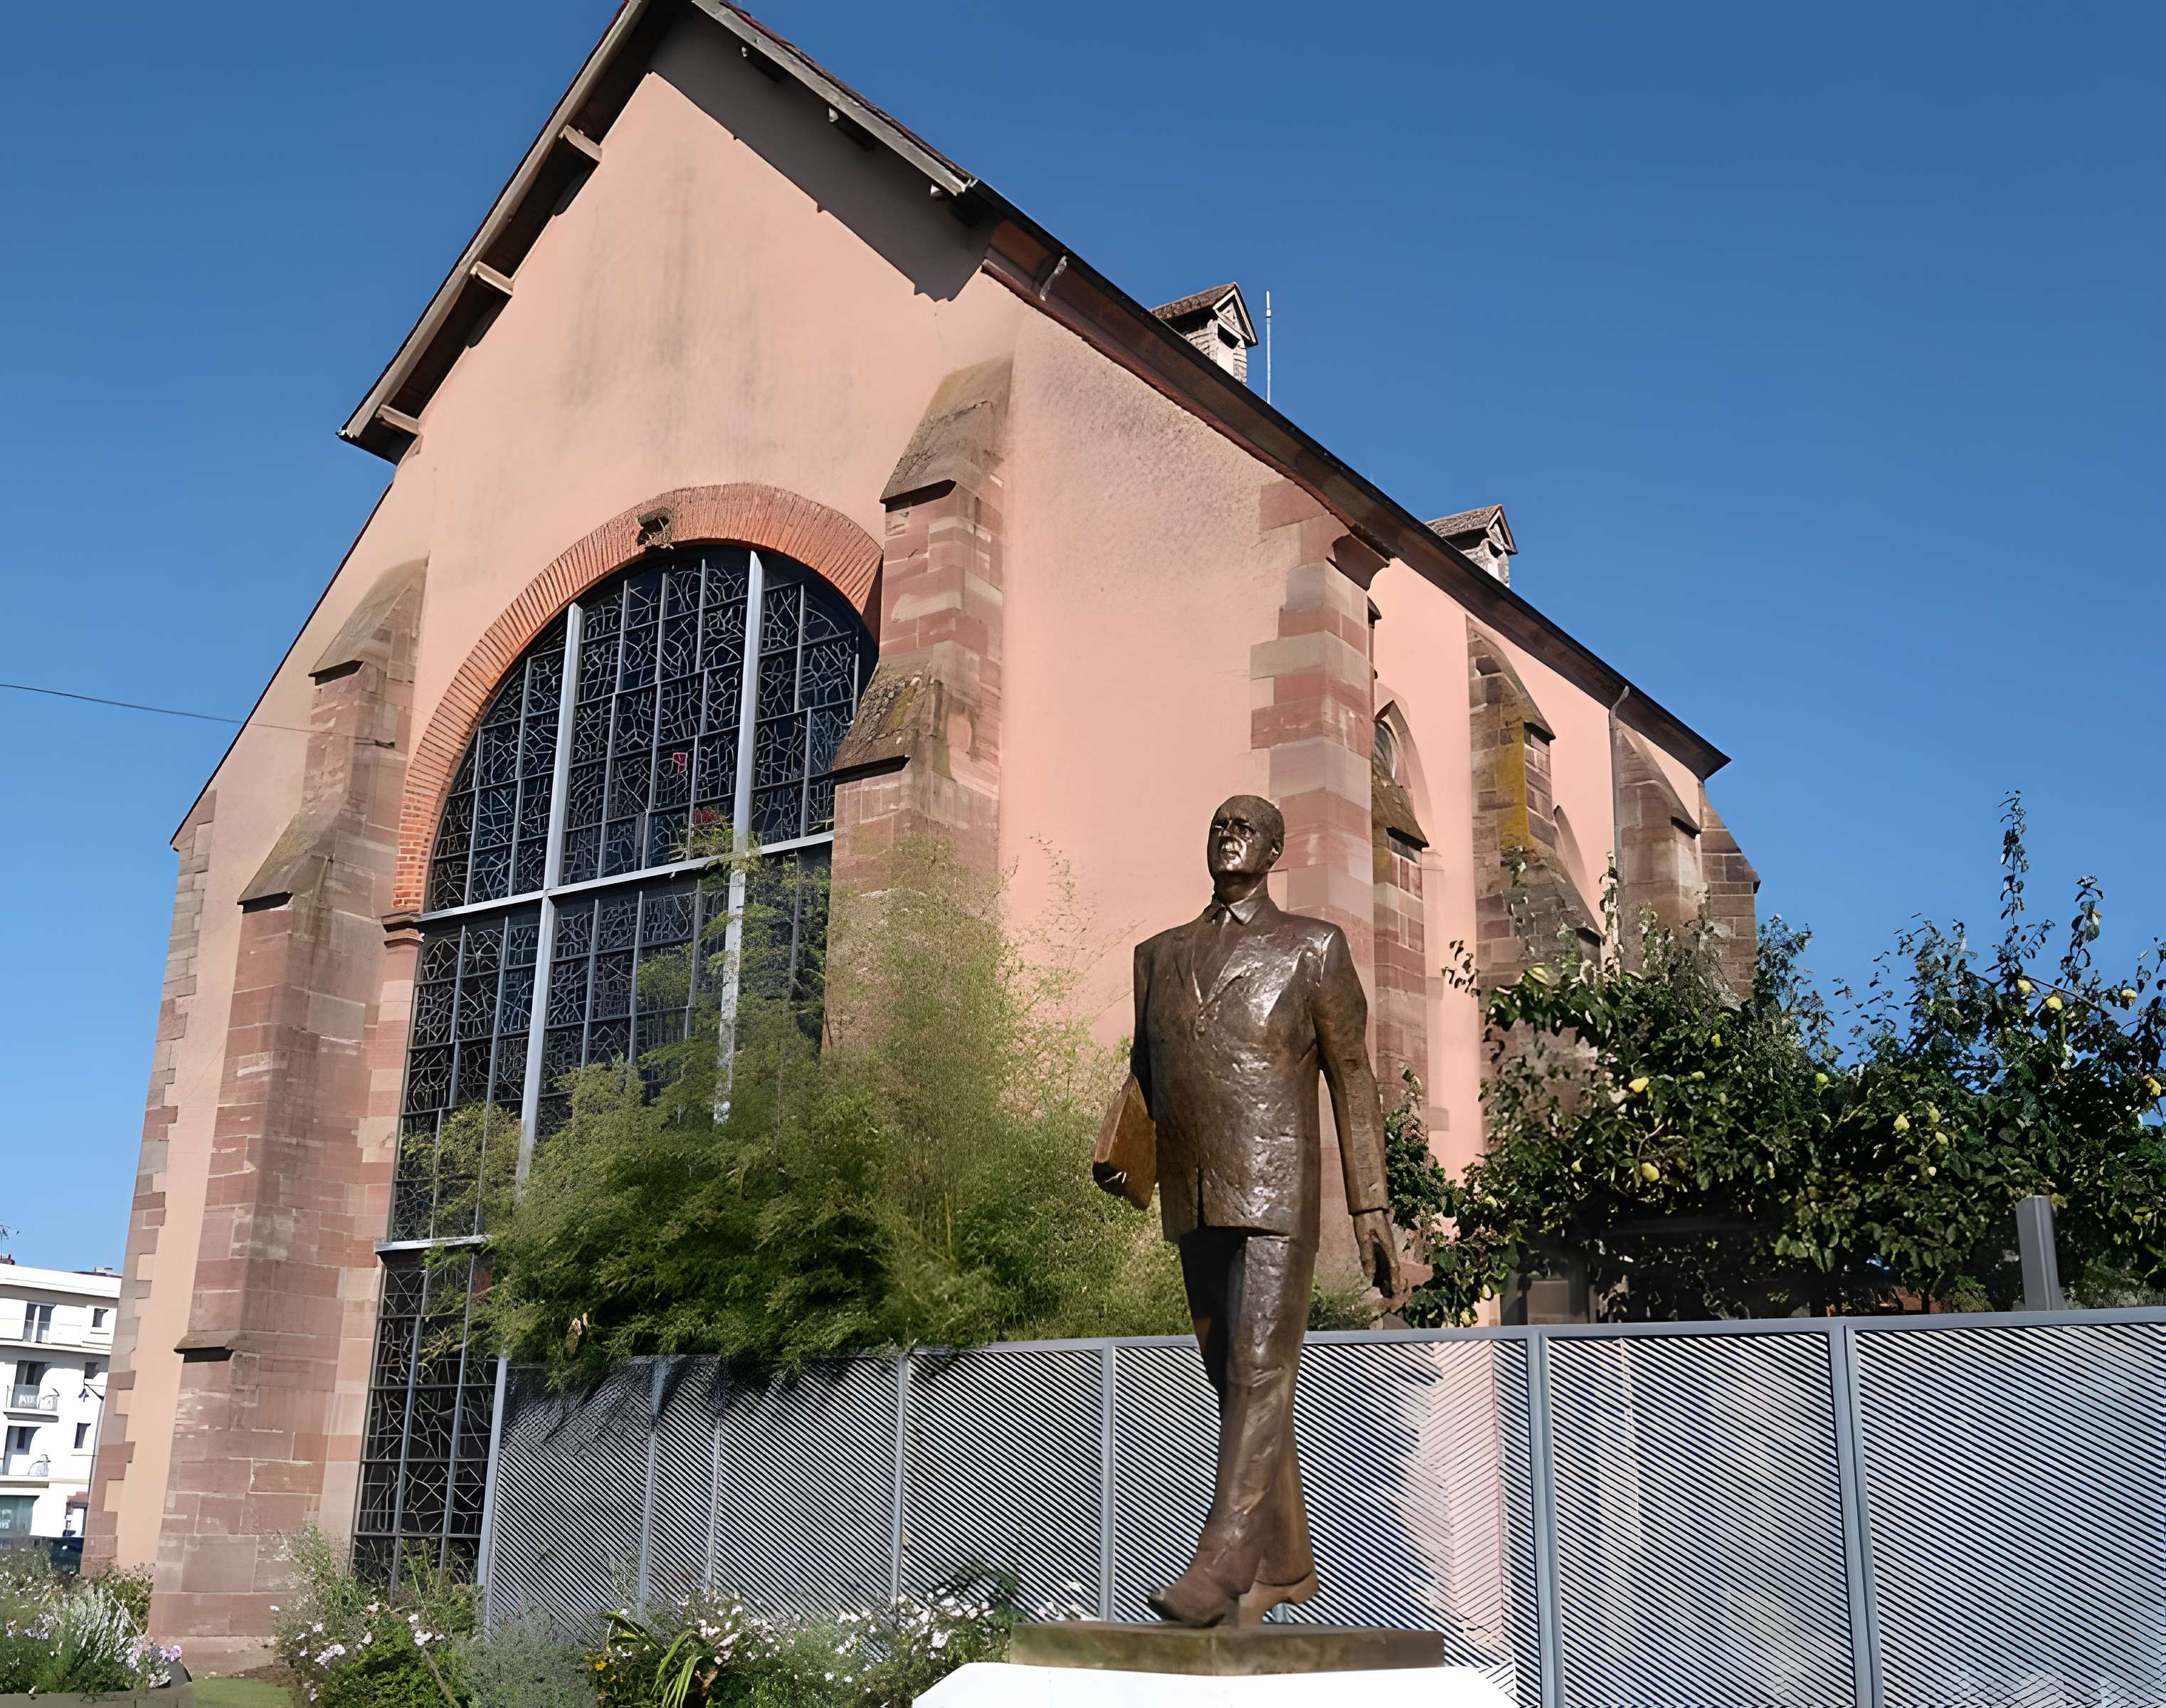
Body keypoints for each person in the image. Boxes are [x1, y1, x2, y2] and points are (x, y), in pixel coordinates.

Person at [1101, 793, 1402, 1627]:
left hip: (1276, 1189)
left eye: (1245, 827)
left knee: (1259, 1372)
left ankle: (1221, 1565)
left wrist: (1370, 1206)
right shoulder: (1156, 956)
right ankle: (1289, 1565)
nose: (1228, 835)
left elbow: (1353, 1078)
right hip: (1192, 1186)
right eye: (1217, 825)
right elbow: (1145, 1072)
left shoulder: (1312, 947)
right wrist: (1118, 1150)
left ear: (1274, 851)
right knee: (1234, 1383)